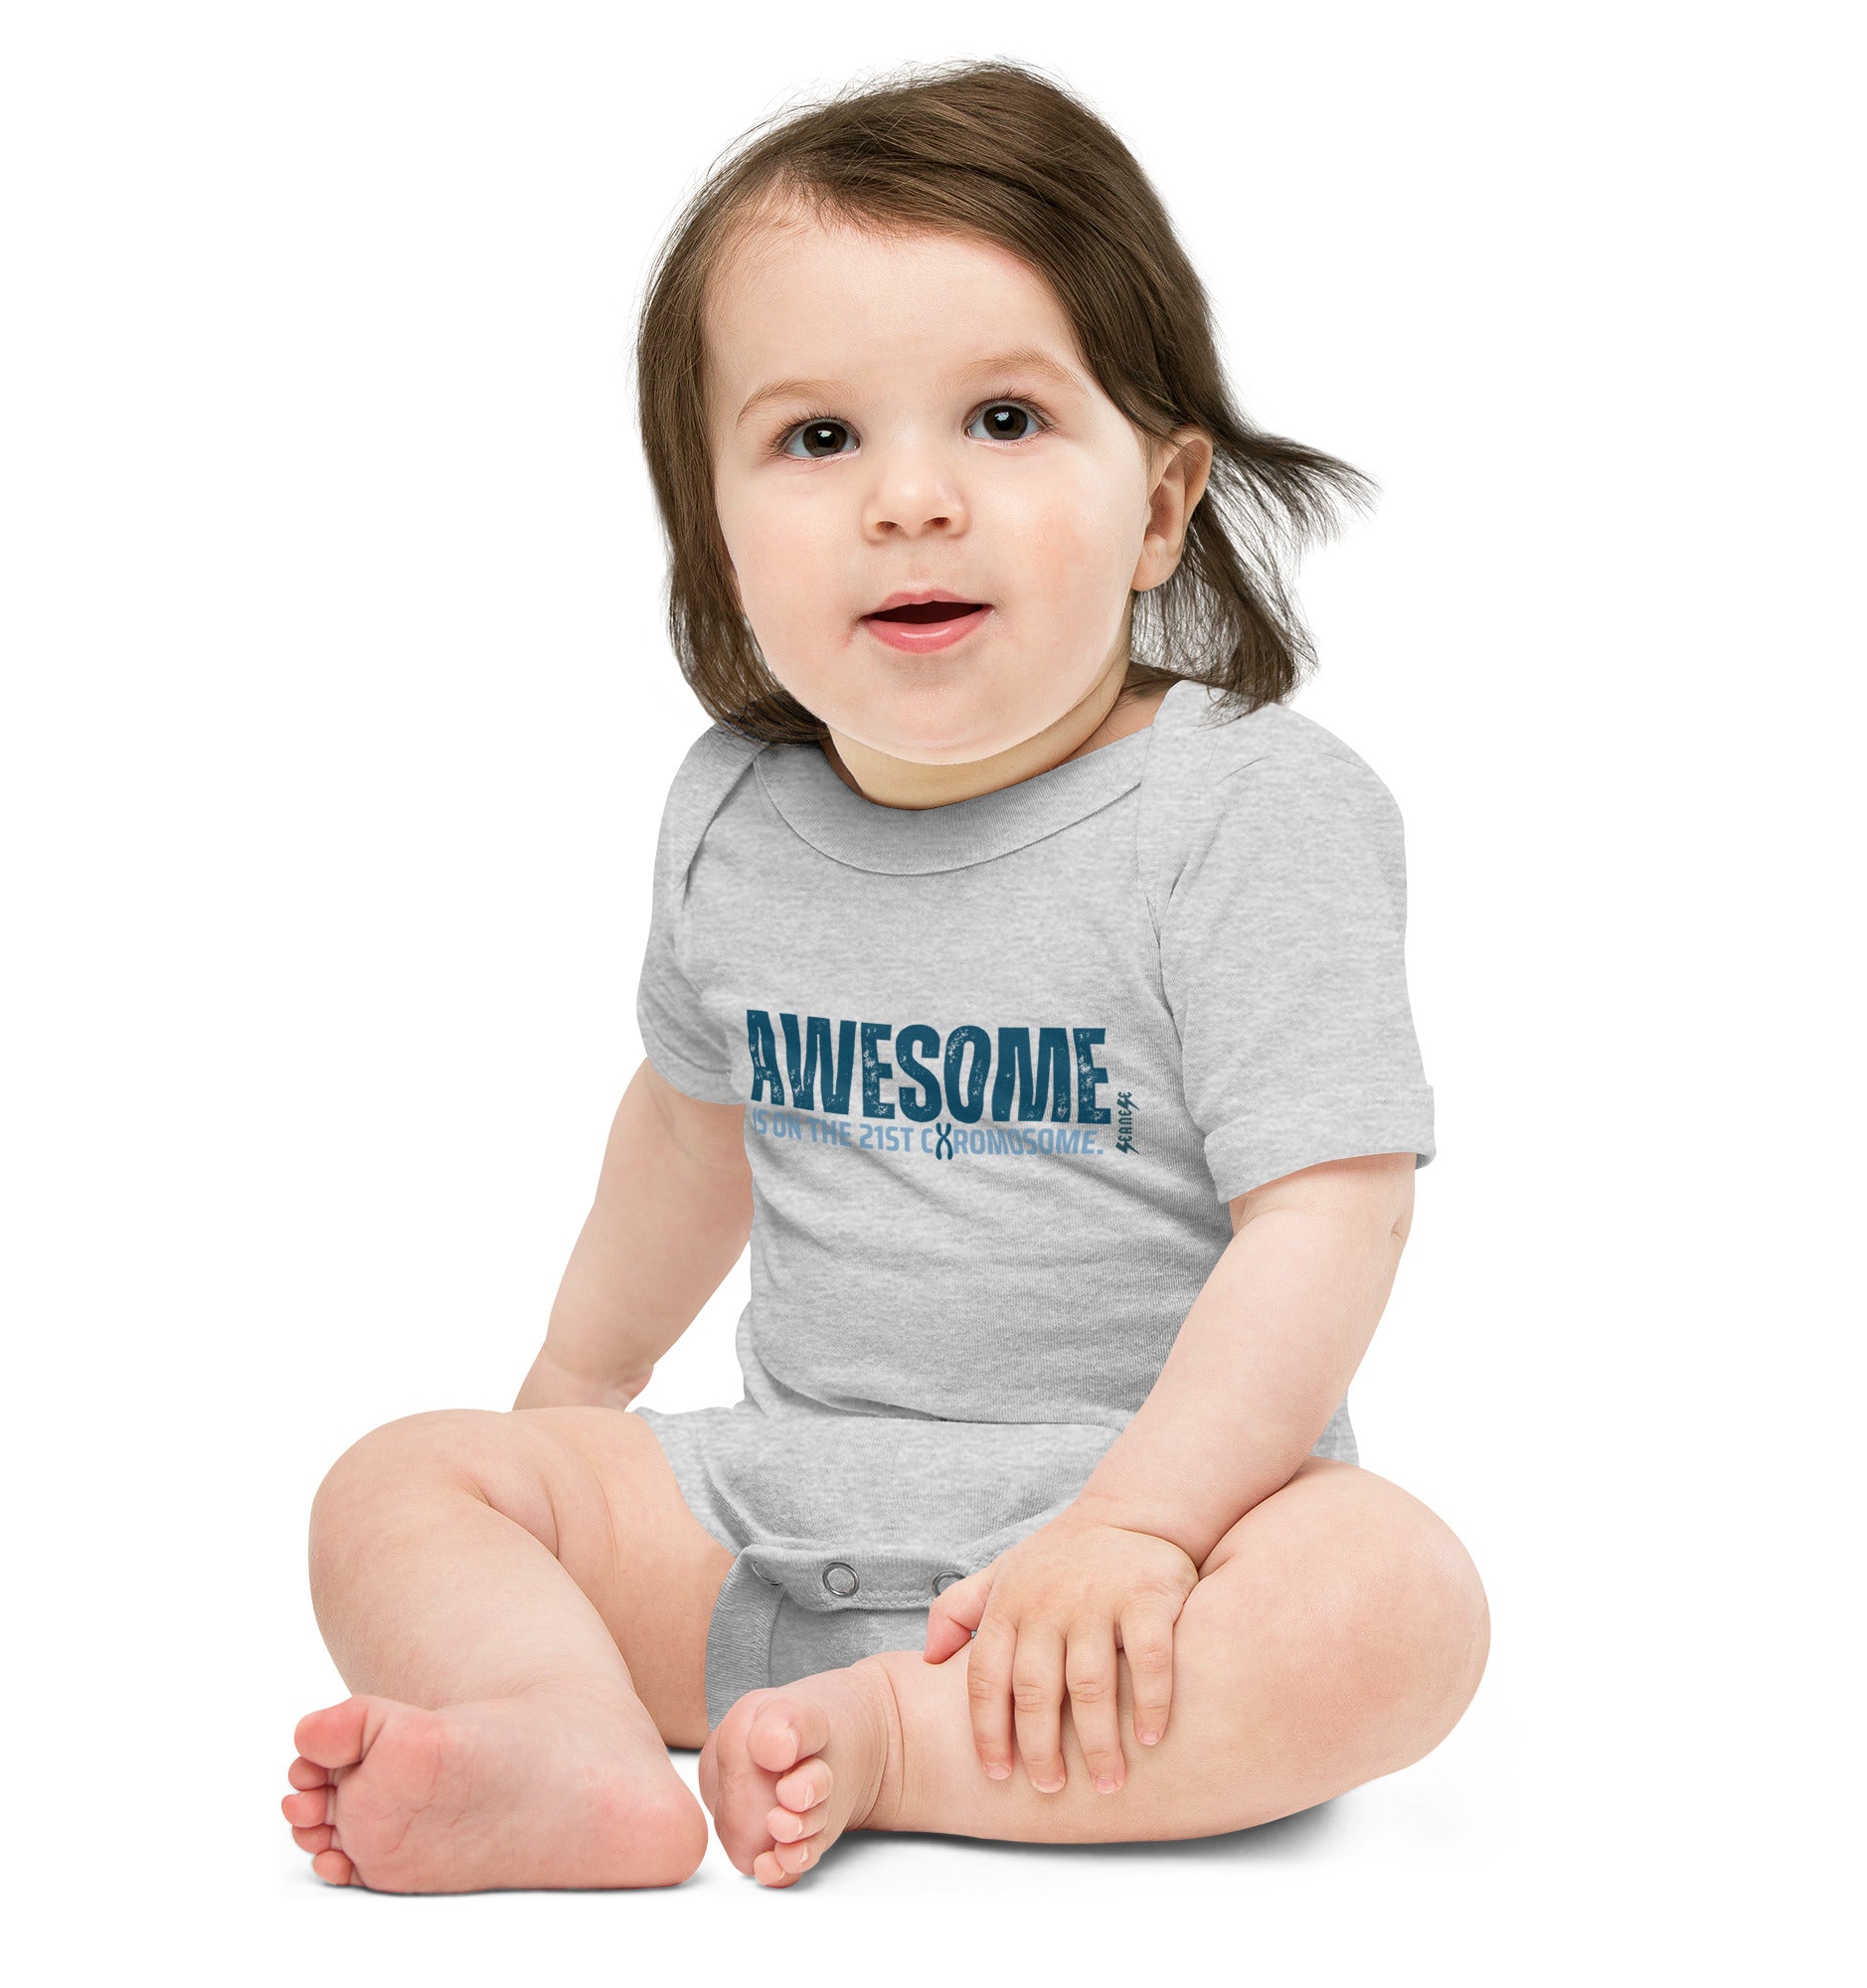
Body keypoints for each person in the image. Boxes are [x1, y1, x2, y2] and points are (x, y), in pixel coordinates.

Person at [280, 56, 1489, 1893]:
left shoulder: (1247, 811)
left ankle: (900, 1744)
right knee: (399, 1484)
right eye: (819, 438)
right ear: (714, 527)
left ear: (1162, 504)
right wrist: (569, 1405)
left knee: (1399, 1601)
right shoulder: (734, 818)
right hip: (784, 1506)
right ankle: (563, 1736)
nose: (911, 500)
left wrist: (1138, 1529)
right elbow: (688, 1133)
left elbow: (1332, 1212)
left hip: (1158, 1538)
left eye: (1003, 419)